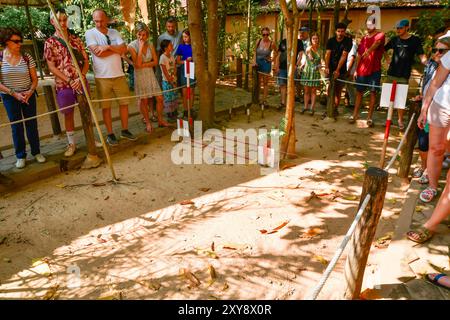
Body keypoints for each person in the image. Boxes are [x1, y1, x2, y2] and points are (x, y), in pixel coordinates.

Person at [406, 44, 450, 243]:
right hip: (442, 105)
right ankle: (432, 184)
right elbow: (435, 83)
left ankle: (431, 224)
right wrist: (424, 109)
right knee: (436, 147)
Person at [85, 9, 136, 146]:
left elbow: (124, 49)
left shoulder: (114, 32)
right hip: (102, 77)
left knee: (124, 103)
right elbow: (98, 54)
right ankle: (110, 133)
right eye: (96, 21)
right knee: (106, 107)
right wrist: (115, 49)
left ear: (106, 19)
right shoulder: (90, 33)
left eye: (101, 20)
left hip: (119, 75)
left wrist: (107, 47)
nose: (99, 23)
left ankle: (125, 130)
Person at [44, 9, 90, 157]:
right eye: (59, 20)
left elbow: (86, 60)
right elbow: (51, 67)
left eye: (65, 19)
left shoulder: (76, 39)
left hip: (80, 80)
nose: (63, 23)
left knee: (86, 110)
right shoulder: (50, 43)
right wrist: (70, 80)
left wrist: (81, 76)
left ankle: (91, 138)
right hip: (64, 84)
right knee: (68, 114)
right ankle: (72, 143)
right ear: (53, 22)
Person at [0, 28, 46, 169]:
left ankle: (36, 152)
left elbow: (34, 79)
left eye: (20, 41)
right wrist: (14, 93)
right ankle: (20, 155)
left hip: (28, 95)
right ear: (6, 42)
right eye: (16, 41)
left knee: (32, 124)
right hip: (10, 96)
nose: (19, 44)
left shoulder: (26, 56)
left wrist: (30, 92)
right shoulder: (1, 58)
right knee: (16, 126)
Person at [411, 37, 450, 185]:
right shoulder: (433, 66)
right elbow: (431, 86)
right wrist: (423, 106)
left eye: (442, 51)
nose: (437, 53)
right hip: (434, 109)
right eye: (435, 50)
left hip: (437, 109)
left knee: (439, 143)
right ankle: (425, 169)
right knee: (425, 143)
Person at [384, 19, 427, 130]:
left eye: (400, 28)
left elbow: (421, 55)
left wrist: (428, 64)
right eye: (397, 28)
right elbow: (384, 49)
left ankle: (400, 120)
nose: (398, 30)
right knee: (389, 97)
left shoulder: (415, 40)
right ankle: (388, 119)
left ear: (407, 27)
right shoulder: (394, 39)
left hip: (404, 74)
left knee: (400, 98)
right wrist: (387, 59)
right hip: (392, 73)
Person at [128, 23, 170, 133]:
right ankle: (147, 122)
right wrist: (141, 48)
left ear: (147, 35)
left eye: (144, 35)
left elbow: (155, 62)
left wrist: (143, 65)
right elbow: (137, 64)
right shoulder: (131, 46)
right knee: (144, 100)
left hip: (150, 74)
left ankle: (160, 120)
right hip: (140, 76)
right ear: (136, 34)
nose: (141, 37)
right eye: (139, 34)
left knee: (160, 98)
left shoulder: (150, 45)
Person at [349, 19, 385, 127]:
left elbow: (377, 43)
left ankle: (369, 117)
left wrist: (368, 51)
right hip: (362, 70)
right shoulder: (364, 38)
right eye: (367, 24)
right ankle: (354, 114)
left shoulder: (380, 35)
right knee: (359, 92)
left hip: (375, 69)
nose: (369, 26)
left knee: (373, 93)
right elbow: (359, 55)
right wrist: (356, 70)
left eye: (371, 24)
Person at [324, 22, 353, 119]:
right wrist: (327, 67)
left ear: (345, 32)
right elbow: (327, 54)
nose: (340, 33)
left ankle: (335, 108)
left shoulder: (348, 41)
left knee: (338, 90)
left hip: (341, 69)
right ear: (335, 31)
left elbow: (344, 55)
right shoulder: (330, 41)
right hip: (330, 67)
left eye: (342, 31)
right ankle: (329, 107)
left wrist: (337, 70)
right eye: (338, 31)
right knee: (328, 88)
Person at [273, 36, 304, 110]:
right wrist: (276, 66)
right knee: (282, 85)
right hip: (282, 67)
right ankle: (283, 102)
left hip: (292, 67)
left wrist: (296, 65)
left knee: (291, 85)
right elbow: (279, 54)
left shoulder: (299, 42)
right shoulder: (283, 41)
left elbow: (300, 55)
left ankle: (290, 103)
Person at [252, 27, 277, 107]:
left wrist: (272, 60)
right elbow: (255, 51)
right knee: (258, 82)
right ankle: (258, 99)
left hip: (266, 63)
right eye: (264, 34)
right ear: (261, 34)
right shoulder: (258, 41)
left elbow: (276, 52)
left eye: (267, 34)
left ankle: (264, 100)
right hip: (258, 64)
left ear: (269, 34)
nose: (265, 36)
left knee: (265, 83)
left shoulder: (272, 43)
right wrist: (254, 61)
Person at [176, 29, 197, 118]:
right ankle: (185, 110)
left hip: (192, 68)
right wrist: (185, 61)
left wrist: (192, 60)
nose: (185, 38)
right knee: (184, 92)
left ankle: (191, 109)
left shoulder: (194, 46)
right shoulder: (180, 47)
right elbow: (178, 61)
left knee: (191, 91)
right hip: (184, 69)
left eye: (186, 36)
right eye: (183, 37)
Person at [300, 32, 322, 115]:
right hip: (308, 71)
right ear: (311, 40)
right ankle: (305, 107)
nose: (315, 40)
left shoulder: (320, 50)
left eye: (316, 38)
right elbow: (310, 58)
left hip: (315, 72)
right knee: (306, 91)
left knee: (313, 91)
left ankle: (312, 108)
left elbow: (319, 61)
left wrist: (319, 66)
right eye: (313, 38)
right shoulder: (309, 48)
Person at [159, 40, 178, 120]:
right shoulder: (162, 57)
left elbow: (174, 67)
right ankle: (169, 113)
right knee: (168, 97)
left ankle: (174, 111)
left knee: (174, 95)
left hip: (173, 79)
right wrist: (170, 81)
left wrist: (174, 76)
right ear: (165, 48)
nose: (172, 46)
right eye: (170, 45)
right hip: (166, 81)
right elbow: (165, 71)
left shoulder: (172, 56)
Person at [296, 26, 311, 103]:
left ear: (307, 33)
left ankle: (307, 97)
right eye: (301, 32)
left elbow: (308, 55)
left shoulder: (310, 42)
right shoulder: (298, 41)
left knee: (306, 82)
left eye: (303, 32)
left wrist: (304, 63)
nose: (301, 33)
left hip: (307, 65)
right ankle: (298, 96)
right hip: (298, 63)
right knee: (298, 81)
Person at [345, 31, 358, 109]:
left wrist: (349, 70)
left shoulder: (353, 45)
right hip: (347, 67)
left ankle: (353, 102)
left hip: (349, 68)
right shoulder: (348, 44)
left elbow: (352, 58)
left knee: (348, 86)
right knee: (348, 86)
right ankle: (351, 102)